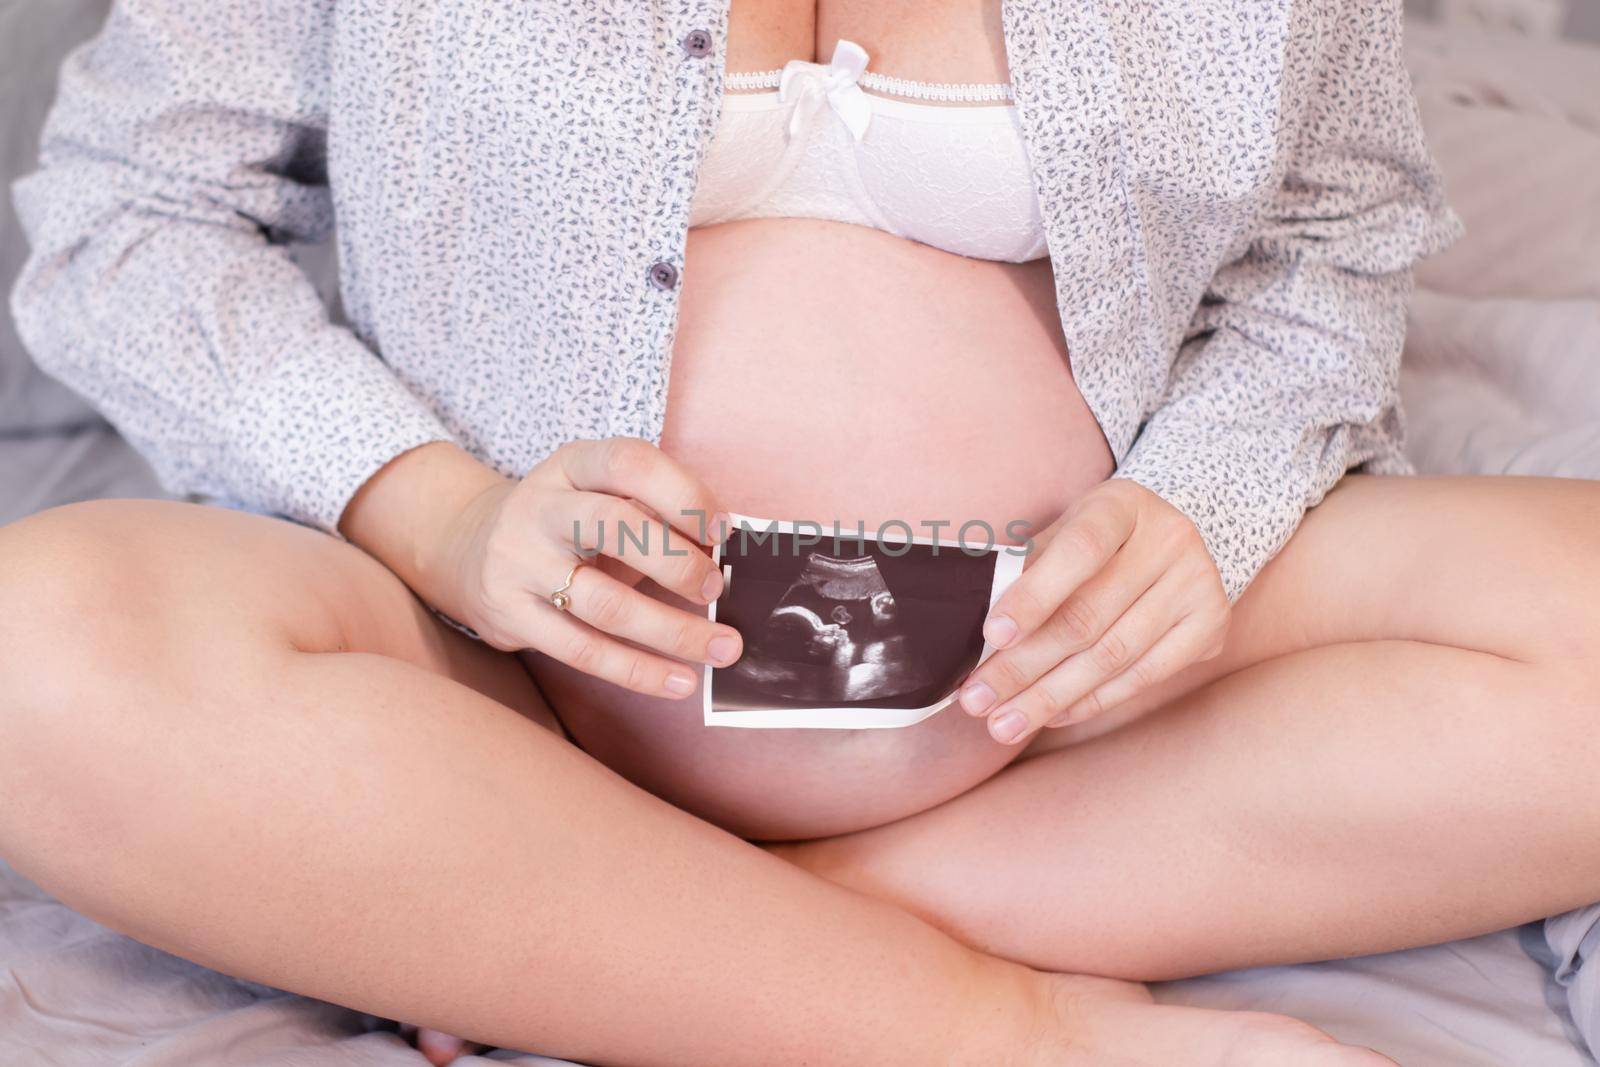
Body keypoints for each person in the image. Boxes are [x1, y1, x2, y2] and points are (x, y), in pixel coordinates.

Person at [5, 0, 1596, 1063]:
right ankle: (997, 1031)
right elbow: (122, 220)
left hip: (1065, 696)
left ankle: (606, 928)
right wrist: (442, 518)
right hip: (507, 680)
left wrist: (1198, 507)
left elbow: (1339, 241)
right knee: (39, 653)